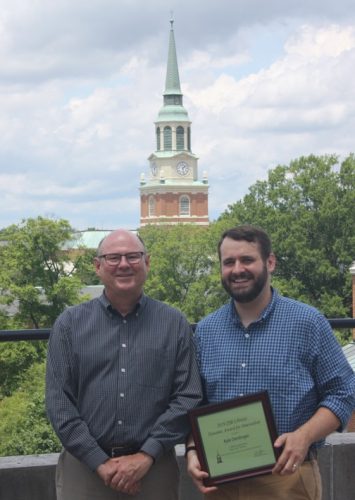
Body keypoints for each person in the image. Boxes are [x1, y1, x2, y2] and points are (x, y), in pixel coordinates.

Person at [187, 225, 355, 499]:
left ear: (270, 262)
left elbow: (344, 392)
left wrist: (304, 436)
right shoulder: (206, 330)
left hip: (287, 477)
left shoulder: (307, 323)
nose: (237, 269)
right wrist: (193, 450)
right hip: (221, 482)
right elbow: (196, 403)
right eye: (228, 262)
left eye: (247, 259)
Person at [46, 229, 202, 500]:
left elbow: (188, 396)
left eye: (133, 256)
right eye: (113, 257)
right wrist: (99, 461)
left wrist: (146, 455)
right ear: (97, 266)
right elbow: (59, 402)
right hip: (85, 470)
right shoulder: (69, 325)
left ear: (147, 263)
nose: (124, 264)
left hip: (154, 470)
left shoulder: (174, 323)